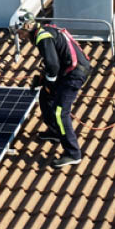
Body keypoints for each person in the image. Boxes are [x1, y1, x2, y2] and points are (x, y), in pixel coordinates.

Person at [10, 10, 92, 168]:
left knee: (60, 112)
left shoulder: (43, 36)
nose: (19, 35)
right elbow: (54, 63)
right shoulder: (45, 31)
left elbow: (53, 65)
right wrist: (43, 79)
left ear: (27, 26)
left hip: (74, 75)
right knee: (45, 97)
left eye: (19, 31)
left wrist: (48, 82)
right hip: (68, 71)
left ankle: (73, 154)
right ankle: (55, 132)